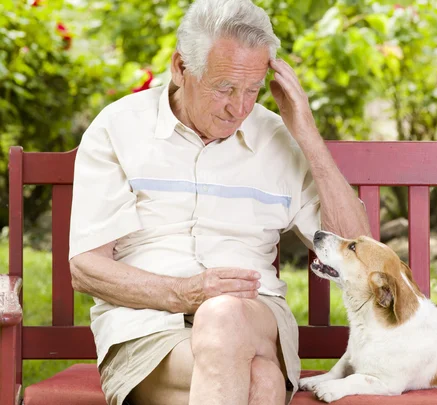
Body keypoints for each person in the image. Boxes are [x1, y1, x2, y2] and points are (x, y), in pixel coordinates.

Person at [68, 0, 370, 404]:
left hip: (254, 319)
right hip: (146, 334)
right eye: (225, 88)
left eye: (253, 90)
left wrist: (308, 135)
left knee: (223, 314)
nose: (240, 108)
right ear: (180, 68)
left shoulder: (277, 137)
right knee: (260, 381)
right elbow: (86, 269)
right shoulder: (119, 128)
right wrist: (185, 292)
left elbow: (360, 252)